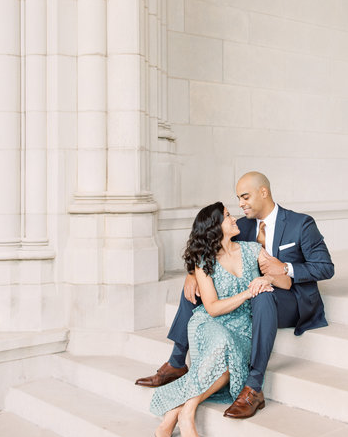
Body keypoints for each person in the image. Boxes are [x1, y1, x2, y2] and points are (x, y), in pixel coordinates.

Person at [137, 171, 335, 420]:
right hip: (252, 293)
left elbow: (325, 267)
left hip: (291, 298)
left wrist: (285, 268)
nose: (240, 204)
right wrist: (192, 274)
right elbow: (210, 246)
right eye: (238, 199)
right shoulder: (241, 225)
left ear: (263, 192)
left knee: (262, 294)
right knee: (197, 288)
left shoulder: (301, 223)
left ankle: (253, 386)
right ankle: (177, 362)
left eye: (245, 197)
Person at [150, 201, 290, 437]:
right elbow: (212, 308)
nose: (234, 218)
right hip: (210, 323)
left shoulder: (252, 250)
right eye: (227, 216)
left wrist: (267, 277)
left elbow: (286, 283)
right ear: (215, 226)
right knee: (224, 345)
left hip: (242, 329)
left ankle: (181, 410)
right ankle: (187, 411)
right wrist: (248, 293)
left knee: (229, 361)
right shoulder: (203, 262)